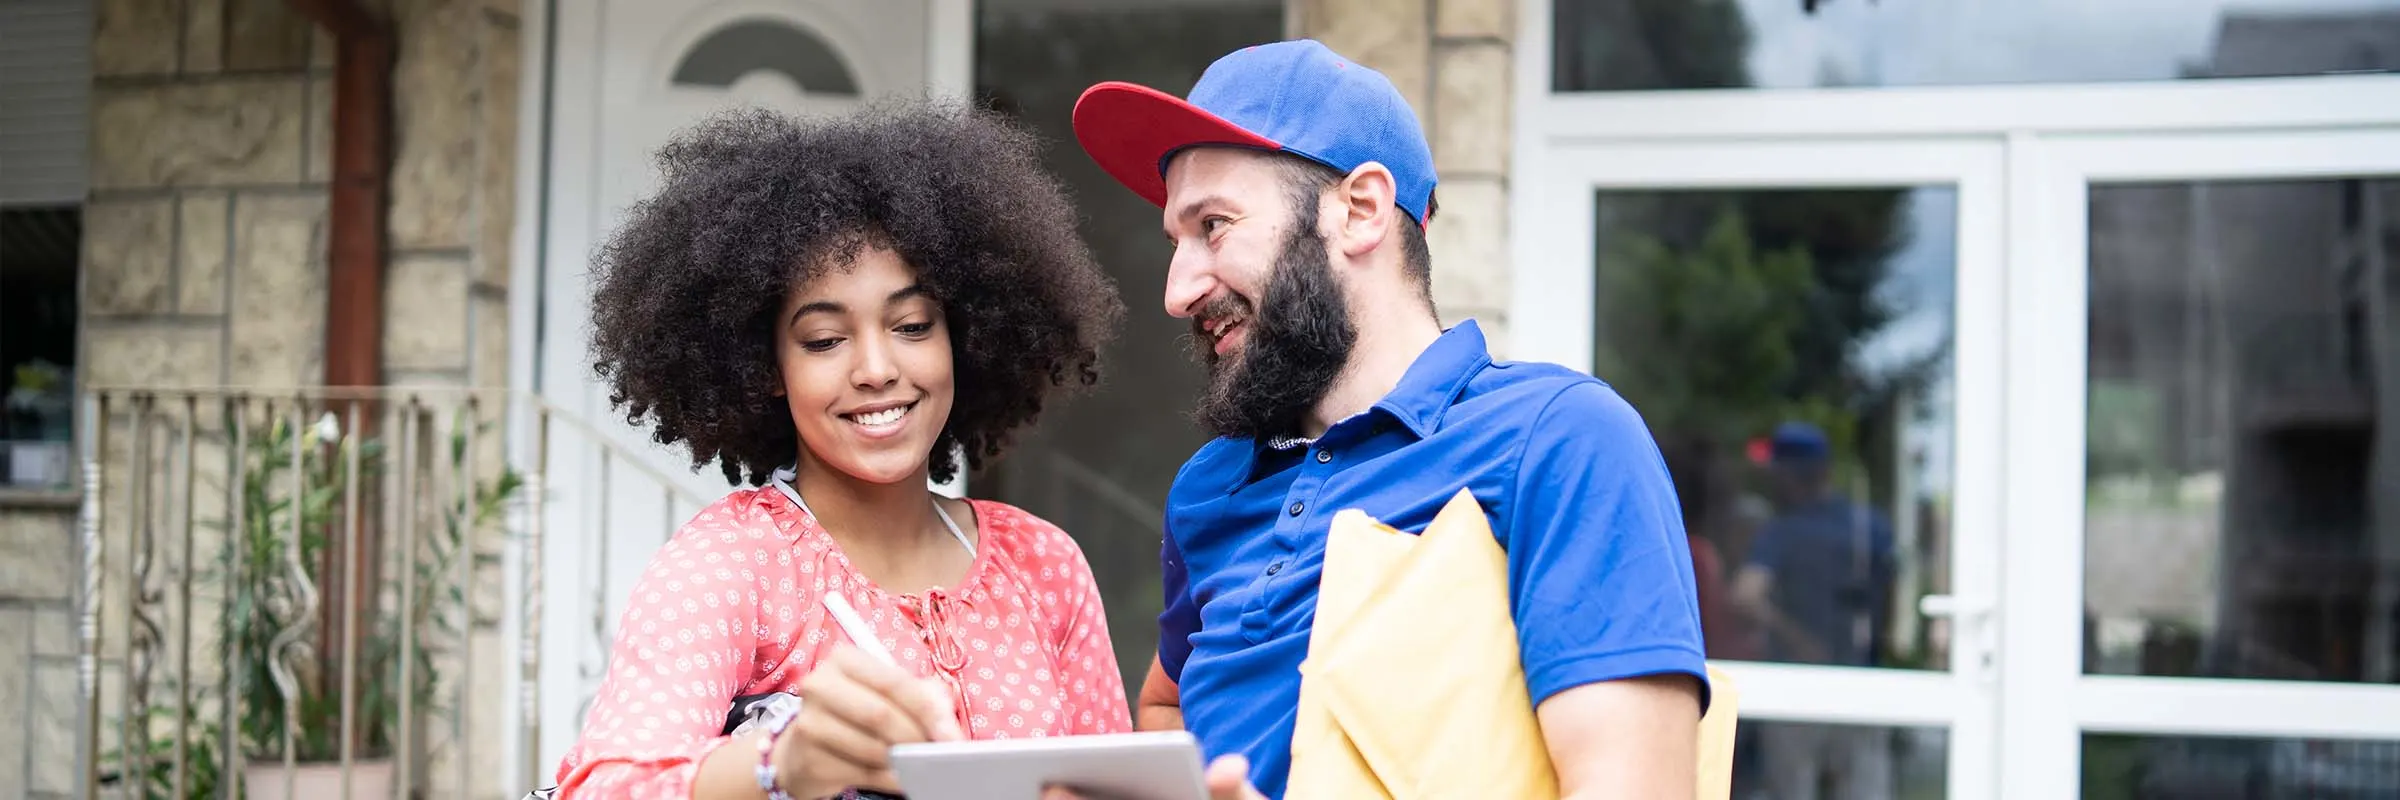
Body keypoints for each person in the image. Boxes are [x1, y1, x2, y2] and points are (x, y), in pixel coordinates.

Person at [1060, 39, 1712, 799]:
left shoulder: (1560, 441)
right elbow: (1168, 700)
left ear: (1361, 211)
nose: (1177, 290)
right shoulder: (1208, 488)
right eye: (1176, 240)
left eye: (1214, 226)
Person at [548, 99, 1132, 799]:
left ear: (964, 337)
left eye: (912, 325)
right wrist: (779, 765)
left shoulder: (1043, 566)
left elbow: (1118, 784)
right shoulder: (736, 563)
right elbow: (603, 784)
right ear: (766, 369)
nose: (877, 368)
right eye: (825, 339)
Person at [1731, 421, 1898, 800]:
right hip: (1861, 682)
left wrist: (1795, 636)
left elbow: (1745, 595)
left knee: (1792, 788)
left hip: (1794, 686)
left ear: (1790, 475)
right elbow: (1888, 599)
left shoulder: (1783, 531)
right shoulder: (1869, 527)